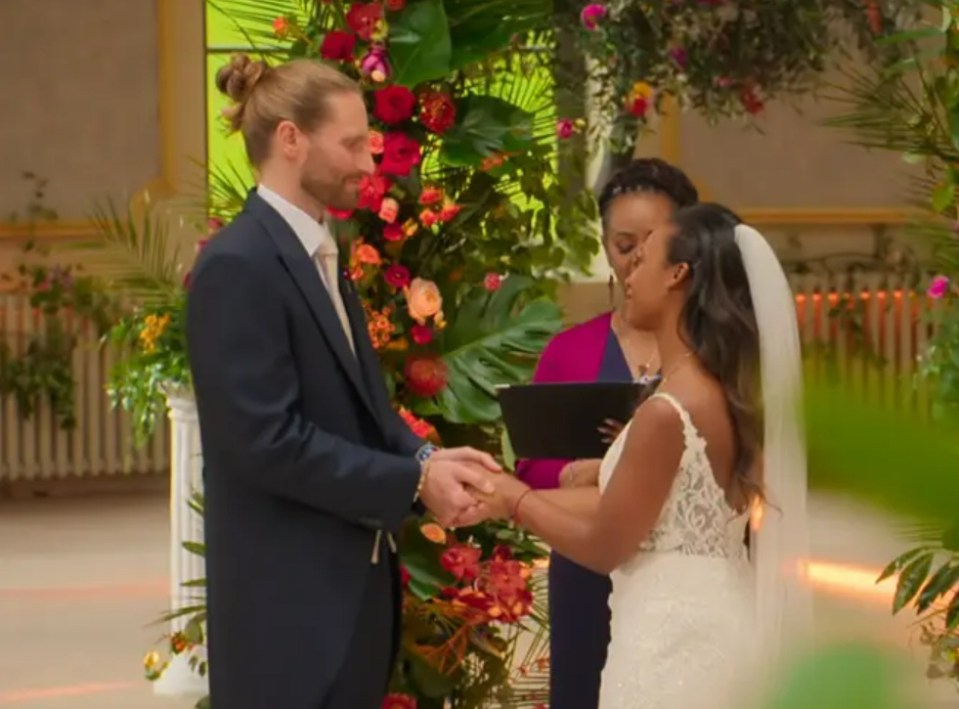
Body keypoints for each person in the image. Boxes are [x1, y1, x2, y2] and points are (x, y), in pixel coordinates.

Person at [185, 54, 499, 709]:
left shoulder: (321, 254)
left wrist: (426, 457)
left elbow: (364, 413)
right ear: (291, 140)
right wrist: (411, 481)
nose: (367, 162)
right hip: (287, 615)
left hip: (348, 598)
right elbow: (266, 440)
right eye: (352, 143)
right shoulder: (239, 264)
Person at [472, 203, 812, 707]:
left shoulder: (667, 412)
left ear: (678, 274)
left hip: (671, 642)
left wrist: (515, 501)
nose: (629, 271)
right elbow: (653, 512)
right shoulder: (725, 393)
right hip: (722, 620)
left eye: (643, 256)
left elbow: (605, 545)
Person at [514, 158, 698, 708]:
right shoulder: (567, 351)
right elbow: (530, 463)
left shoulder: (709, 357)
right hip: (585, 561)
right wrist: (576, 473)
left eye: (650, 244)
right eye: (623, 245)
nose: (636, 260)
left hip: (677, 572)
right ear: (603, 243)